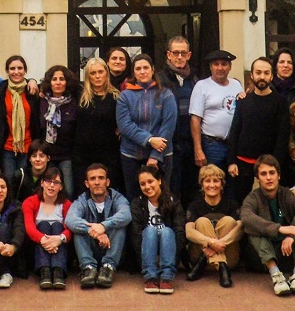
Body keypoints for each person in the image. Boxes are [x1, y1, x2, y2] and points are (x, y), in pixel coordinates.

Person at [240, 155, 295, 297]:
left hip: (288, 252)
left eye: (272, 173)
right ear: (258, 178)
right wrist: (280, 228)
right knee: (253, 227)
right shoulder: (253, 197)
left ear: (279, 176)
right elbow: (246, 217)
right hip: (263, 257)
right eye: (264, 174)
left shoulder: (287, 194)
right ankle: (276, 277)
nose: (268, 177)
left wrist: (293, 235)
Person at [226, 57, 290, 203]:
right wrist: (231, 161)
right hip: (242, 164)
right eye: (258, 72)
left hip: (268, 165)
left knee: (269, 204)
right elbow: (234, 131)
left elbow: (282, 137)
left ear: (272, 76)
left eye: (266, 73)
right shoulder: (243, 101)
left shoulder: (280, 102)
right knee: (240, 204)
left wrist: (276, 164)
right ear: (252, 76)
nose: (262, 77)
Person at [116, 54, 176, 200]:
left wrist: (155, 156)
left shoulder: (166, 94)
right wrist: (149, 140)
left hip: (161, 156)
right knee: (135, 198)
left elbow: (168, 126)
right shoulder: (125, 96)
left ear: (152, 70)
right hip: (131, 156)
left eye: (145, 68)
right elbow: (125, 126)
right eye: (138, 69)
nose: (142, 72)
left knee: (162, 197)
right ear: (133, 72)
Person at [65, 163, 132, 290]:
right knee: (78, 228)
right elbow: (70, 219)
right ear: (86, 183)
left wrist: (103, 226)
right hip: (90, 249)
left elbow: (126, 215)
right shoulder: (82, 200)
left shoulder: (117, 197)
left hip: (113, 249)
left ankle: (108, 268)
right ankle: (88, 268)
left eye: (101, 178)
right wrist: (91, 230)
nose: (97, 182)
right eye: (92, 179)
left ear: (107, 182)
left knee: (119, 225)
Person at [156, 37, 200, 206]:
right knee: (170, 188)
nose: (179, 57)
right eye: (175, 53)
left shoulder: (196, 80)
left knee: (192, 188)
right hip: (170, 143)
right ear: (168, 55)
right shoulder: (159, 80)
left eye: (183, 53)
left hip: (191, 143)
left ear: (188, 55)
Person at [184, 164, 243, 288]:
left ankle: (220, 262)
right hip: (198, 258)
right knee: (202, 221)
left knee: (228, 221)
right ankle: (221, 266)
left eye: (216, 181)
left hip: (229, 258)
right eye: (207, 181)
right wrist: (210, 242)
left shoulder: (231, 204)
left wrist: (220, 243)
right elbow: (189, 232)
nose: (212, 185)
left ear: (222, 184)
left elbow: (240, 229)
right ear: (201, 184)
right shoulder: (195, 205)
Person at [129, 165, 185, 295]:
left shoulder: (173, 201)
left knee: (167, 231)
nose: (147, 187)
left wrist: (175, 253)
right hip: (147, 254)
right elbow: (136, 235)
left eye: (150, 181)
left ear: (159, 181)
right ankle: (151, 277)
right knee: (150, 231)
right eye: (142, 184)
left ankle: (167, 277)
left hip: (170, 252)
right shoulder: (137, 204)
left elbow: (180, 231)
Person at [0, 55, 41, 180]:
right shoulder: (0, 92)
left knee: (26, 184)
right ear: (7, 71)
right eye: (12, 68)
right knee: (8, 184)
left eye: (20, 68)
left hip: (28, 148)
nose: (16, 72)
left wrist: (33, 80)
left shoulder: (32, 91)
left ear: (25, 71)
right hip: (7, 149)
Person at [189, 49, 243, 173]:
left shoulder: (236, 85)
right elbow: (195, 120)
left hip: (234, 145)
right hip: (212, 145)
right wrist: (198, 150)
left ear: (230, 67)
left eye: (224, 64)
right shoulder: (202, 86)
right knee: (213, 183)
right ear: (210, 67)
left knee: (232, 186)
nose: (220, 68)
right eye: (216, 64)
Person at [73, 58, 122, 193]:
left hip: (108, 153)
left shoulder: (116, 97)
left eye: (100, 72)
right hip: (83, 155)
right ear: (88, 75)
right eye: (93, 73)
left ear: (106, 73)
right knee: (83, 193)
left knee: (107, 192)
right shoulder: (79, 94)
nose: (97, 76)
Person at [22, 167, 73, 290]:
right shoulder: (30, 202)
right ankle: (44, 271)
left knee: (57, 226)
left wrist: (59, 239)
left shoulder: (67, 204)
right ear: (42, 183)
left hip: (60, 246)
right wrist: (45, 240)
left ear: (61, 187)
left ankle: (58, 271)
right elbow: (29, 228)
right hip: (36, 248)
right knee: (43, 225)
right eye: (48, 181)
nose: (51, 186)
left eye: (56, 183)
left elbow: (71, 228)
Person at [38, 65, 80, 198]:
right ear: (49, 82)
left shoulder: (74, 103)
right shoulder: (41, 101)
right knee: (47, 191)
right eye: (54, 79)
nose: (58, 82)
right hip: (46, 155)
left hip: (66, 156)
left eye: (61, 79)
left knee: (68, 191)